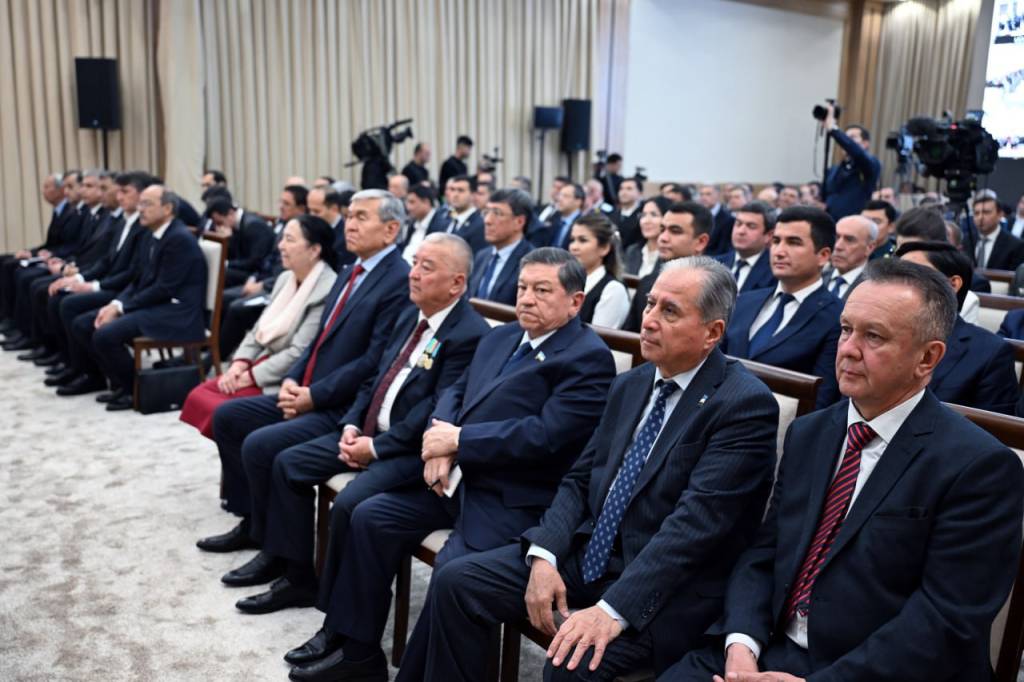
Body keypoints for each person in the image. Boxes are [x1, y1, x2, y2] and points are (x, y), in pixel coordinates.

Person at [418, 256, 780, 681]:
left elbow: (694, 528)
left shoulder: (742, 405)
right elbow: (578, 480)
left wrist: (611, 610)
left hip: (662, 586)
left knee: (571, 662)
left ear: (712, 332)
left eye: (670, 311)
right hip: (590, 555)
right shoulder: (632, 383)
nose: (648, 320)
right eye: (650, 304)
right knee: (458, 583)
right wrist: (545, 556)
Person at [662, 258, 1024, 682]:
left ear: (928, 358)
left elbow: (944, 620)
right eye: (846, 329)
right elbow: (765, 553)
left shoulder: (979, 465)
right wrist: (742, 647)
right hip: (768, 652)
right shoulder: (810, 433)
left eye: (874, 336)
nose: (849, 349)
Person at [285, 248, 616, 682]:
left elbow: (545, 434)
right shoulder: (502, 336)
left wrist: (459, 441)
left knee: (454, 577)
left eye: (542, 290)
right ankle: (357, 651)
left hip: (511, 498)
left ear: (575, 301)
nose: (526, 298)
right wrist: (440, 442)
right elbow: (455, 391)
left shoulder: (587, 357)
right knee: (370, 516)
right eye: (522, 288)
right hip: (457, 480)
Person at [229, 233, 492, 617]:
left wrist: (376, 448)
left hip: (407, 449)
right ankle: (296, 574)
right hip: (368, 432)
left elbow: (434, 411)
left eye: (426, 267)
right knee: (287, 463)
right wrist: (352, 424)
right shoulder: (411, 314)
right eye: (414, 263)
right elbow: (375, 379)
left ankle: (337, 621)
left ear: (457, 283)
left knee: (351, 505)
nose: (413, 274)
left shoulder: (470, 334)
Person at [195, 190, 412, 562]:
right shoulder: (351, 270)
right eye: (349, 216)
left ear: (391, 230)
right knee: (228, 417)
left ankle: (285, 559)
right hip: (311, 389)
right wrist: (293, 380)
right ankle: (254, 522)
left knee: (263, 447)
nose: (349, 224)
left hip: (342, 405)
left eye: (361, 217)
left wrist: (314, 395)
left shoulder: (398, 280)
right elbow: (317, 340)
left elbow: (374, 362)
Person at [180, 215, 340, 438]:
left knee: (220, 410)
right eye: (282, 238)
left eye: (290, 240)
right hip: (261, 362)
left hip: (284, 377)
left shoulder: (327, 288)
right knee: (199, 395)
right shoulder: (285, 278)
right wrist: (239, 364)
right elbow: (258, 330)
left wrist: (251, 376)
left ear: (314, 250)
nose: (281, 246)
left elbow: (298, 352)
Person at [78, 185, 208, 410]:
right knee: (84, 323)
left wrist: (122, 309)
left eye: (147, 204)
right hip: (159, 305)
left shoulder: (179, 239)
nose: (140, 209)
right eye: (140, 203)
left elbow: (164, 289)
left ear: (167, 209)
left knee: (105, 335)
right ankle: (119, 384)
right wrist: (116, 303)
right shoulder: (152, 234)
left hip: (178, 312)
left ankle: (134, 391)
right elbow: (139, 279)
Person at [721, 206, 841, 407]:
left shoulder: (836, 317)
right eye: (776, 241)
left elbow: (821, 399)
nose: (779, 251)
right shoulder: (744, 301)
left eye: (794, 242)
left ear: (823, 255)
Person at [47, 172, 155, 392]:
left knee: (70, 305)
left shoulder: (144, 227)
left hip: (123, 290)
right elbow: (107, 261)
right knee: (62, 296)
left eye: (125, 192)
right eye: (119, 191)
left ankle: (94, 375)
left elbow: (133, 273)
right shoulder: (123, 221)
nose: (119, 196)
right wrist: (78, 278)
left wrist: (94, 286)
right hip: (113, 284)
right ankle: (79, 367)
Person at [896, 241, 1019, 414]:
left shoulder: (990, 353)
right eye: (895, 276)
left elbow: (991, 428)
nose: (897, 285)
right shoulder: (875, 334)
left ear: (952, 284)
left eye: (912, 275)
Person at [219, 184, 309, 359]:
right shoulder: (282, 225)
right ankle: (217, 349)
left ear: (301, 208)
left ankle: (218, 356)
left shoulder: (304, 232)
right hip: (263, 279)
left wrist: (262, 285)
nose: (280, 207)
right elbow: (266, 260)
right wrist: (254, 279)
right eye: (280, 202)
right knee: (222, 297)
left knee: (237, 308)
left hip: (278, 288)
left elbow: (290, 272)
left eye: (286, 203)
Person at [622, 201, 712, 332]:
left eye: (675, 231)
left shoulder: (712, 290)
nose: (663, 238)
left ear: (701, 242)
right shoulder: (648, 283)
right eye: (662, 229)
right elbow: (626, 336)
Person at [467, 188, 535, 305]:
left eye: (497, 213)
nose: (487, 220)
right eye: (486, 212)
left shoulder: (531, 262)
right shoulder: (482, 256)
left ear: (519, 222)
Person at [568, 213, 631, 328]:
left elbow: (599, 336)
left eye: (582, 240)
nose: (574, 247)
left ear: (604, 248)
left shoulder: (613, 290)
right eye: (572, 240)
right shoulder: (567, 281)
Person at [821, 104, 881, 219]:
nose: (846, 141)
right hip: (831, 221)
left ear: (865, 143)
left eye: (852, 137)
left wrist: (833, 128)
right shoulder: (834, 169)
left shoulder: (871, 164)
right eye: (846, 137)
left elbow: (857, 152)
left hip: (855, 222)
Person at [206, 197, 275, 287]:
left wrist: (227, 263)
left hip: (259, 273)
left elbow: (254, 262)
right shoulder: (238, 224)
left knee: (221, 273)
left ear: (230, 213)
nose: (218, 228)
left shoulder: (253, 226)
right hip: (248, 269)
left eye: (220, 223)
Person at [715, 201, 777, 293]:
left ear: (769, 235)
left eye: (751, 226)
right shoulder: (714, 264)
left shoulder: (775, 272)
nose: (741, 231)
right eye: (738, 224)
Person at [823, 215, 876, 300]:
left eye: (849, 240)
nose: (838, 246)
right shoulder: (817, 279)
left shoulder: (875, 287)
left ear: (869, 247)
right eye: (836, 237)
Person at [972, 194, 1024, 270]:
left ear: (1000, 214)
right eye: (976, 213)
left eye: (986, 212)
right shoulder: (966, 241)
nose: (980, 217)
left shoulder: (1016, 245)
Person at [623, 197, 671, 279]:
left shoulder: (672, 255)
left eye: (654, 215)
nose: (646, 221)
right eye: (643, 215)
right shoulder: (632, 251)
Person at [442, 175, 487, 253]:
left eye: (461, 190)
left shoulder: (480, 225)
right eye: (452, 190)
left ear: (473, 194)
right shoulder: (446, 219)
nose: (455, 194)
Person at [543, 183, 585, 250]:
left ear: (578, 201)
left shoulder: (583, 223)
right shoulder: (553, 219)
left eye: (566, 196)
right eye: (560, 195)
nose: (560, 199)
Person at [698, 184, 735, 256]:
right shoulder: (697, 215)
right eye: (701, 194)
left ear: (718, 195)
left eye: (708, 194)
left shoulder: (728, 219)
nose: (703, 198)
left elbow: (724, 249)